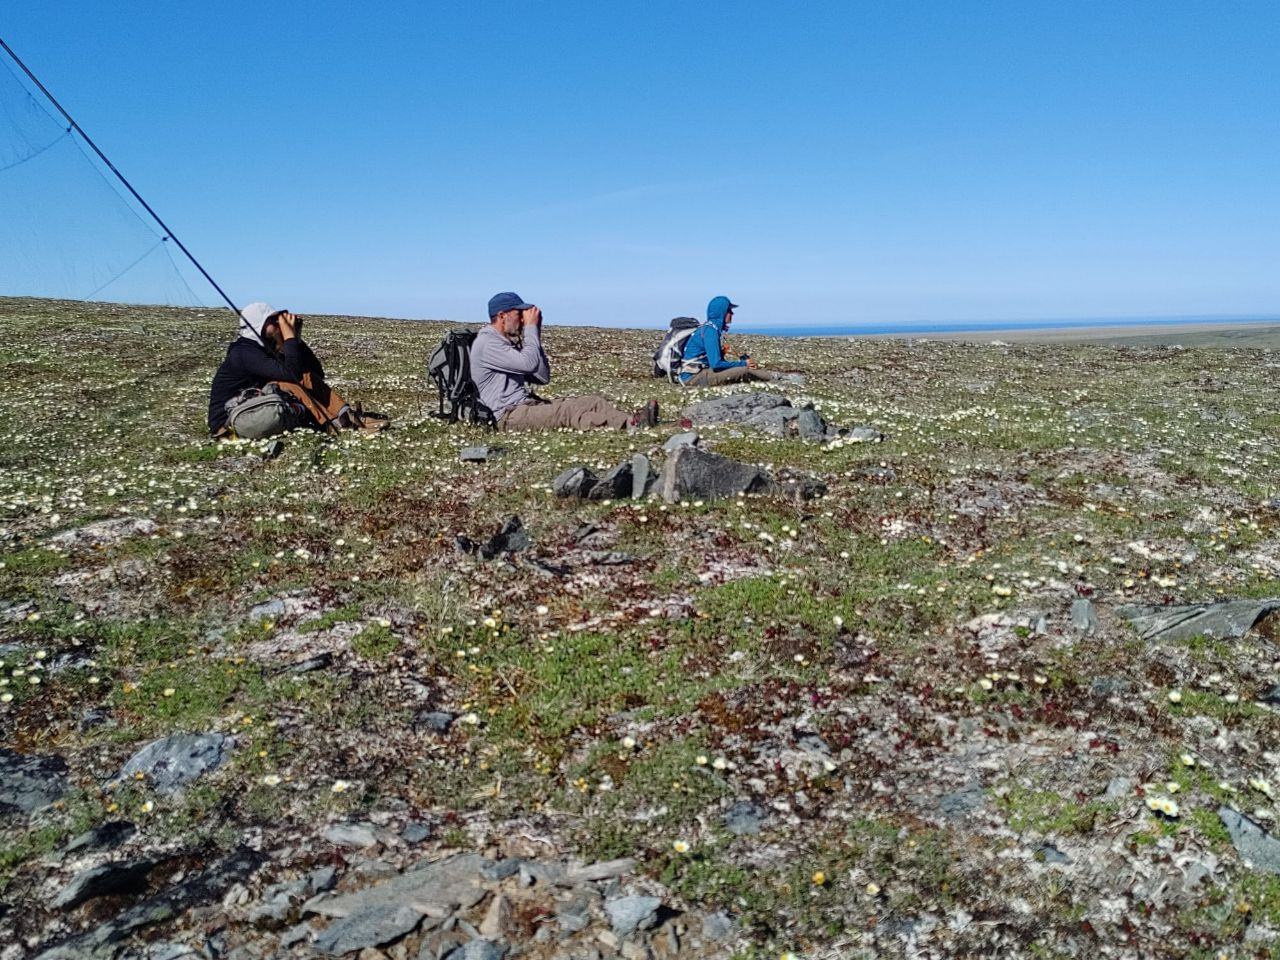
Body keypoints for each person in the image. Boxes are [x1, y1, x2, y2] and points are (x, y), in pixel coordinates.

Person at [471, 292, 658, 431]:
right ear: (502, 316)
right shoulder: (488, 343)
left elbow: (542, 377)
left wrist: (536, 332)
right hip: (507, 416)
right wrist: (530, 329)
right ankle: (630, 425)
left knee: (593, 402)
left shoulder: (504, 343)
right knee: (568, 412)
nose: (522, 318)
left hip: (523, 406)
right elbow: (528, 364)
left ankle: (633, 421)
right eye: (518, 313)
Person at [207, 302, 377, 436]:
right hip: (232, 421)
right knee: (287, 382)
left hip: (251, 409)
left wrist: (296, 339)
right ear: (259, 325)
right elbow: (293, 374)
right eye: (274, 321)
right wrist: (288, 337)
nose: (279, 325)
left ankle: (345, 416)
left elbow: (314, 372)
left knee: (299, 377)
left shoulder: (261, 349)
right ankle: (337, 422)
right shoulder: (244, 352)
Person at [678, 296, 798, 386]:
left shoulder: (708, 328)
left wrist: (721, 353)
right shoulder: (711, 331)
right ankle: (777, 379)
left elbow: (710, 360)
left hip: (696, 375)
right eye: (729, 311)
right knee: (744, 370)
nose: (732, 313)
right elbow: (716, 365)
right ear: (722, 313)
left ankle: (775, 377)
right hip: (693, 379)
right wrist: (743, 364)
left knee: (740, 369)